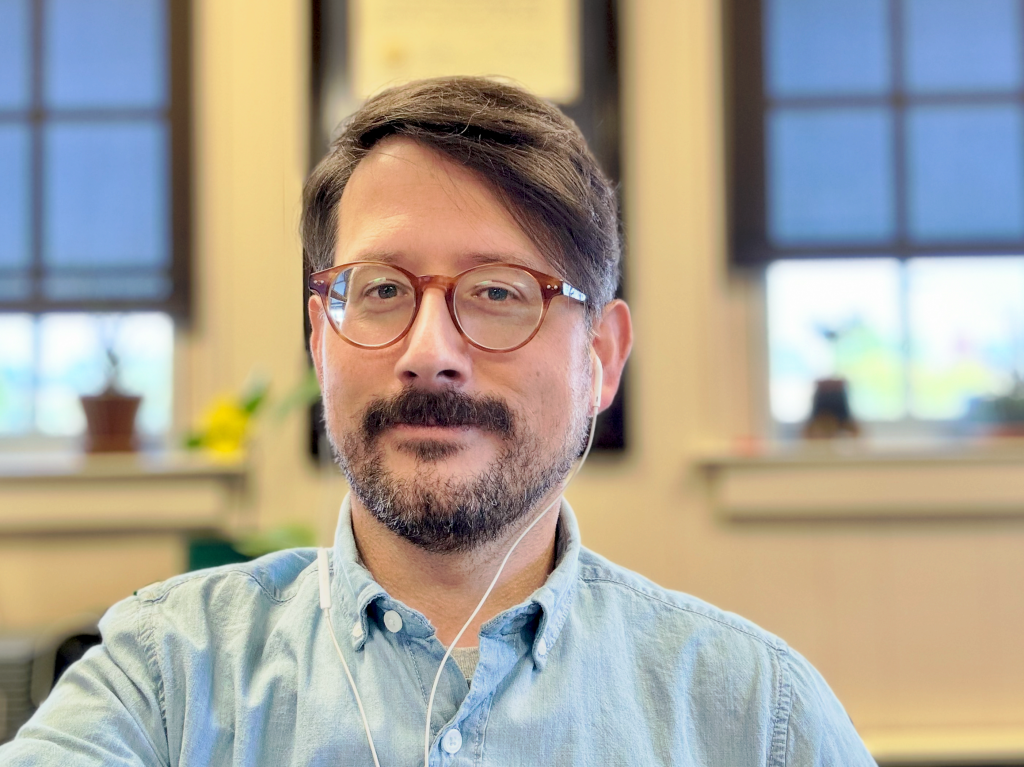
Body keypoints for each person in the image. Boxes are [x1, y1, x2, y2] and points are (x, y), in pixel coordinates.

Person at [1, 77, 876, 766]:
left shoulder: (758, 715)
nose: (429, 352)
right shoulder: (164, 677)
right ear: (319, 341)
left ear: (602, 358)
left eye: (498, 292)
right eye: (381, 289)